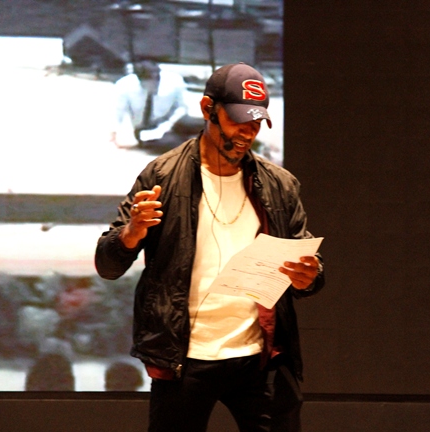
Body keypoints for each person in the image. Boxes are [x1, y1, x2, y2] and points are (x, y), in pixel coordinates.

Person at [95, 62, 325, 432]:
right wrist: (132, 232)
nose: (248, 132)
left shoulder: (279, 185)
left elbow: (307, 269)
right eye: (238, 120)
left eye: (256, 122)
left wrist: (308, 276)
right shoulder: (162, 177)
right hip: (185, 357)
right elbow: (107, 264)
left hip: (259, 358)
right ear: (207, 109)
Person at [110, 61, 189, 151]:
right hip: (146, 130)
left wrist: (168, 124)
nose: (154, 84)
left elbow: (182, 108)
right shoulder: (124, 85)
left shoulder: (174, 80)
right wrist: (113, 134)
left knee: (198, 124)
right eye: (150, 81)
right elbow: (117, 111)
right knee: (171, 143)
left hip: (171, 123)